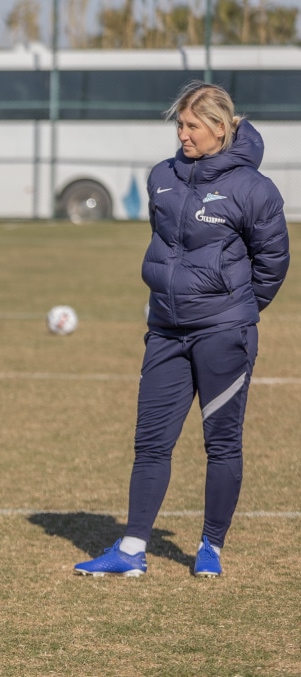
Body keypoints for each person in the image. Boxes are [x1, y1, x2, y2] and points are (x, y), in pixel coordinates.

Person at [75, 82, 289, 578]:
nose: (183, 133)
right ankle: (130, 550)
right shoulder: (162, 177)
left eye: (193, 125)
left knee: (222, 443)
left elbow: (273, 262)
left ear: (220, 128)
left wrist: (235, 311)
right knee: (150, 442)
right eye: (180, 124)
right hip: (166, 332)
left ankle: (210, 546)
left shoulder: (254, 189)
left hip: (224, 335)